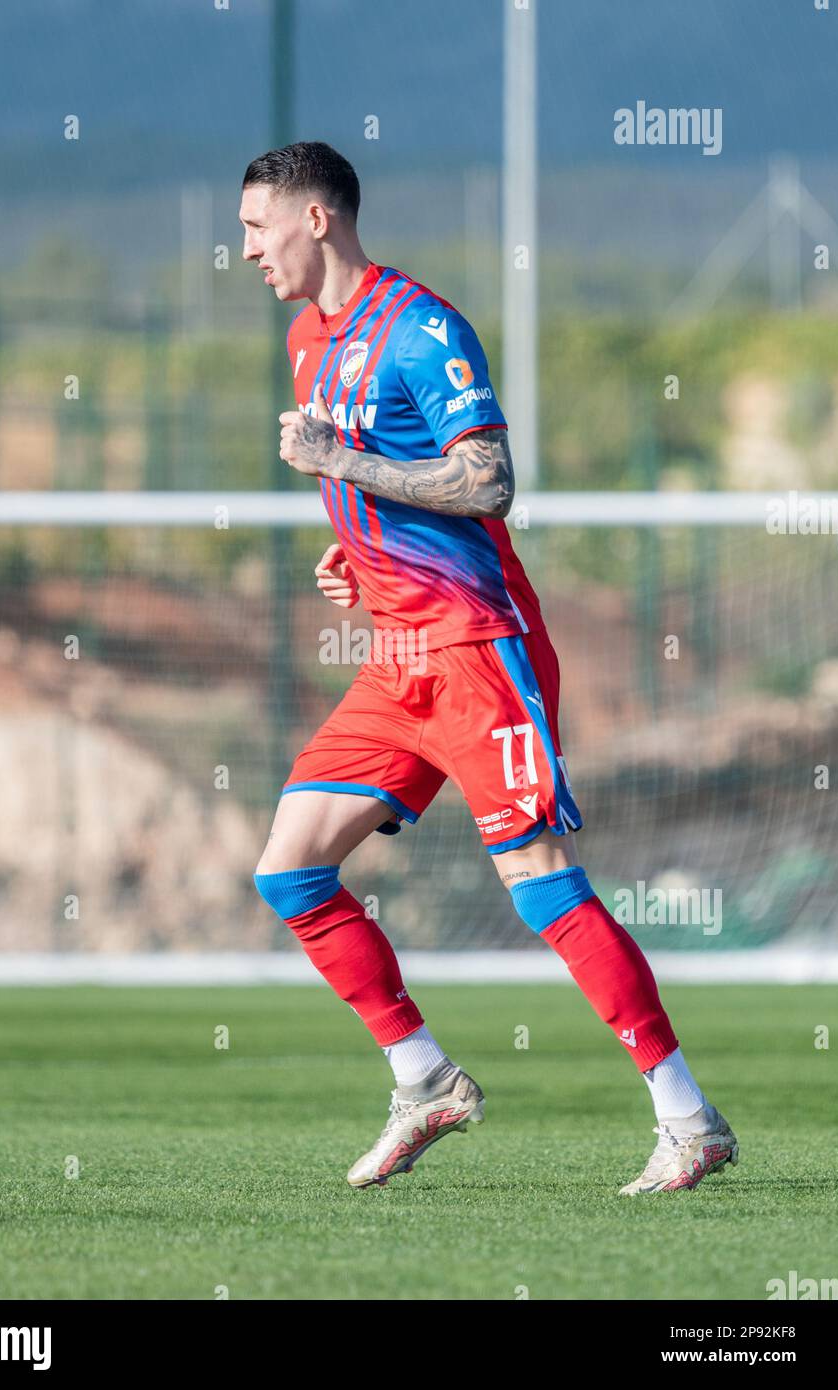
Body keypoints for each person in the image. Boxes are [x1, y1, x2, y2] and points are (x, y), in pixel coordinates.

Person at [241, 141, 738, 1193]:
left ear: (316, 219)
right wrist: (356, 550)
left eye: (256, 227)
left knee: (540, 887)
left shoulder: (421, 328)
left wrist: (339, 463)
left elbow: (488, 481)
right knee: (290, 867)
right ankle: (423, 1078)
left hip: (475, 651)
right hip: (395, 661)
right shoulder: (304, 339)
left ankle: (686, 1115)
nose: (244, 249)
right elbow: (396, 492)